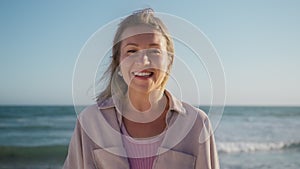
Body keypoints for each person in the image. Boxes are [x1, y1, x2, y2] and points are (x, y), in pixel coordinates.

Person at [63, 8, 219, 169]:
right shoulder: (90, 121)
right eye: (132, 51)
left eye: (154, 51)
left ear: (169, 61)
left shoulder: (197, 124)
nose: (144, 61)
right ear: (118, 62)